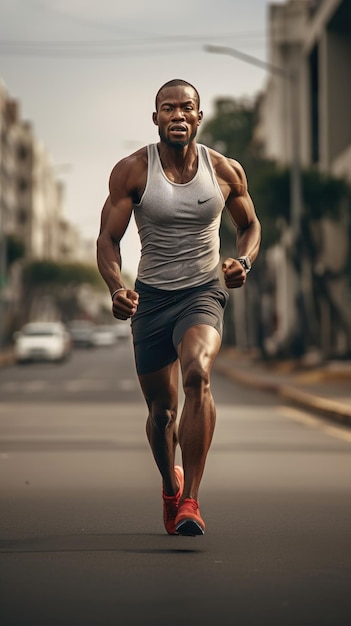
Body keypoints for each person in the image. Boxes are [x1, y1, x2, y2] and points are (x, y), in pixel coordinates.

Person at [97, 79, 261, 536]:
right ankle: (171, 485)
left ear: (198, 116)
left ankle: (191, 501)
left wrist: (242, 260)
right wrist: (116, 287)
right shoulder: (132, 171)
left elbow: (250, 226)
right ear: (156, 118)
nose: (178, 116)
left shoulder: (225, 170)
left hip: (202, 292)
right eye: (168, 109)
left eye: (186, 108)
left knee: (197, 374)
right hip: (151, 299)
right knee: (162, 413)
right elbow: (108, 240)